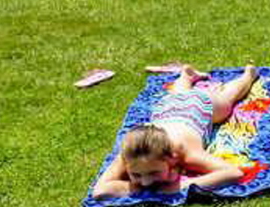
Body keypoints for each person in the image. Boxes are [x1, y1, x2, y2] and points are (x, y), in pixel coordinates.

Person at [93, 64, 260, 198]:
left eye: (154, 173)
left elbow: (233, 172)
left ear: (172, 159)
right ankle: (186, 75)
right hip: (169, 107)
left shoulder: (188, 153)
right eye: (136, 175)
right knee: (178, 93)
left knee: (228, 98)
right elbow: (99, 191)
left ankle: (248, 75)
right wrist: (145, 189)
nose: (145, 182)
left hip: (198, 106)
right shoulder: (133, 152)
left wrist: (178, 186)